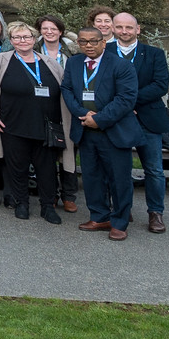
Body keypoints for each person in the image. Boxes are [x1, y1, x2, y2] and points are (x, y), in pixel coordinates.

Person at [0, 22, 64, 223]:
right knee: (17, 167)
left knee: (47, 169)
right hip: (13, 124)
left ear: (34, 39)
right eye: (17, 37)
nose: (23, 41)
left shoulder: (49, 62)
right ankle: (22, 203)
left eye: (27, 37)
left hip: (45, 126)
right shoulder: (0, 60)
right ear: (11, 41)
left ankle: (48, 207)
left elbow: (63, 89)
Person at [64, 26, 137, 238]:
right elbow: (66, 89)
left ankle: (119, 222)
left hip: (114, 131)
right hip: (85, 129)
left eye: (93, 41)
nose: (89, 45)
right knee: (91, 176)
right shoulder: (74, 63)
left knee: (119, 179)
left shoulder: (121, 65)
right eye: (83, 41)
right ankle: (99, 216)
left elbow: (126, 98)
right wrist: (83, 114)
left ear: (103, 42)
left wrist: (99, 119)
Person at [109, 12, 169, 234]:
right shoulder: (105, 51)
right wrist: (123, 106)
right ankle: (122, 209)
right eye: (119, 27)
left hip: (148, 119)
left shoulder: (154, 54)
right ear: (113, 29)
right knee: (119, 168)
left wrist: (129, 101)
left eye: (129, 27)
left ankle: (155, 213)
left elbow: (160, 85)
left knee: (154, 169)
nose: (124, 31)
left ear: (137, 29)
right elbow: (102, 84)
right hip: (117, 119)